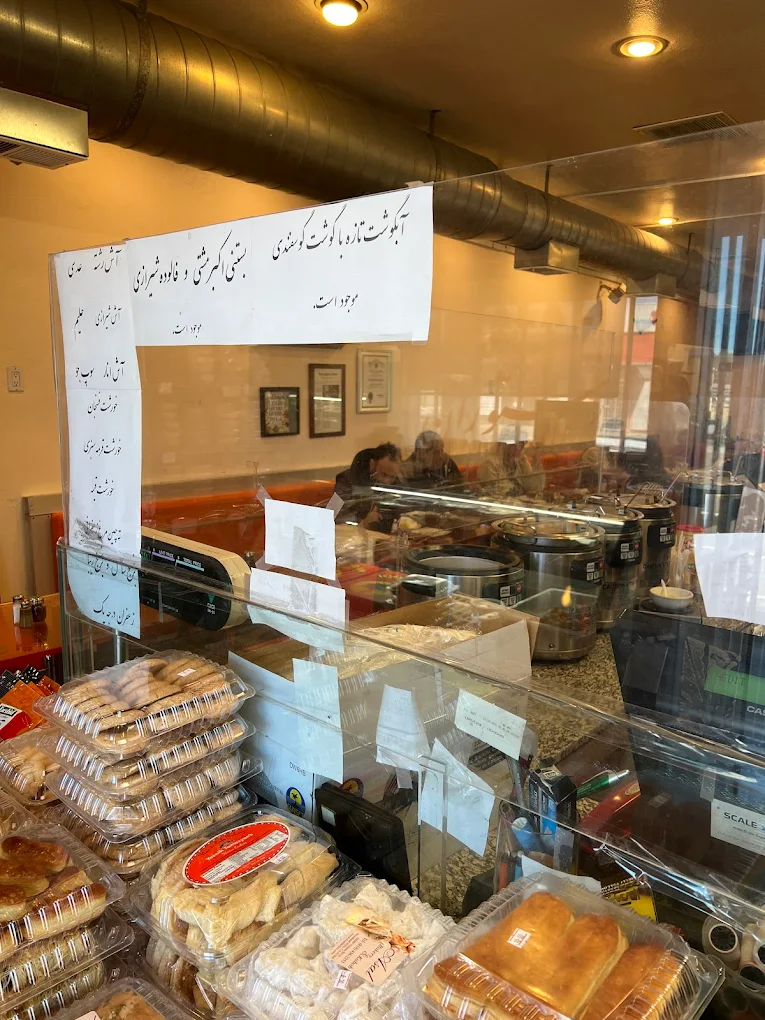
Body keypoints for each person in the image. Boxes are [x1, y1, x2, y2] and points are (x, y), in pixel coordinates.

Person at [334, 443, 404, 530]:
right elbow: (334, 515)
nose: (387, 481)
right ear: (372, 464)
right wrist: (363, 523)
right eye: (384, 474)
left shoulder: (397, 481)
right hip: (354, 535)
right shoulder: (346, 480)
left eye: (392, 477)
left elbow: (403, 509)